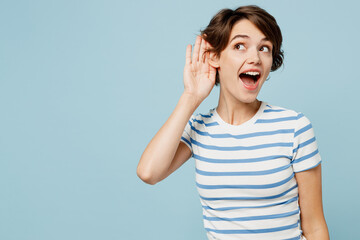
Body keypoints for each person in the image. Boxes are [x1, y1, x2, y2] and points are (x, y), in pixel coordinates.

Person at [137, 5, 329, 240]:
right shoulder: (198, 128)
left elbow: (315, 227)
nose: (255, 58)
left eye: (264, 48)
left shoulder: (294, 127)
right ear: (214, 56)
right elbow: (149, 173)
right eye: (240, 45)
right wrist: (191, 98)